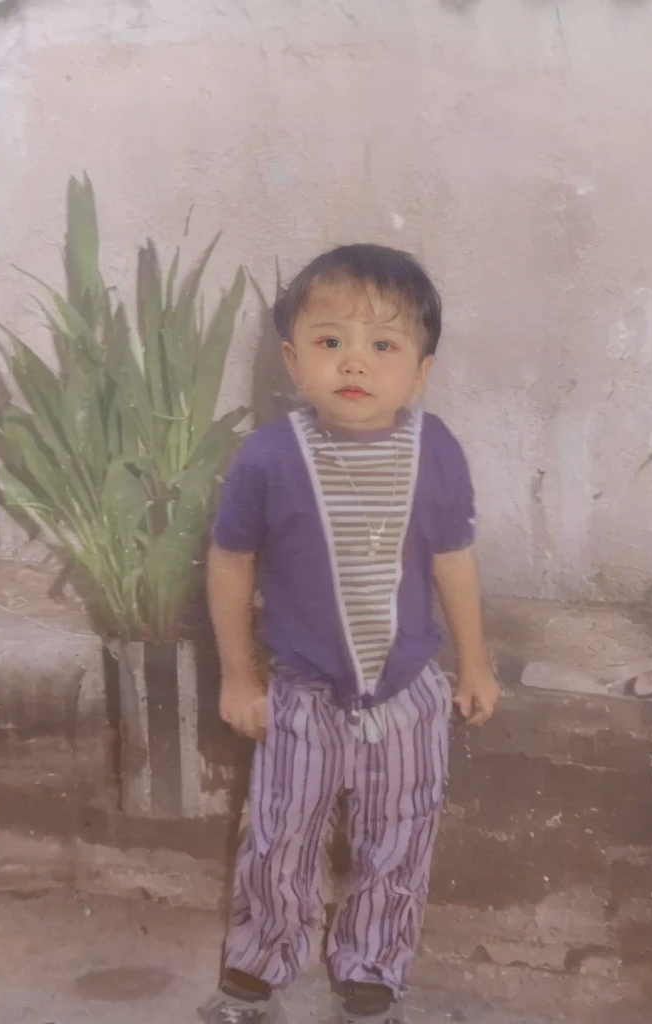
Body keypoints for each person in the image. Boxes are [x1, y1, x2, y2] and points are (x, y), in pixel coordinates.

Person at [202, 244, 500, 1024]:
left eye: (383, 345)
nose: (354, 363)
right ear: (295, 362)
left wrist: (475, 665)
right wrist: (239, 676)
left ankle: (371, 971)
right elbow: (231, 563)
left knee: (399, 840)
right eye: (331, 342)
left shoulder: (435, 452)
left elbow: (454, 562)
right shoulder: (268, 458)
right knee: (278, 840)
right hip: (301, 696)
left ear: (421, 371)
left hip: (408, 698)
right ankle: (256, 972)